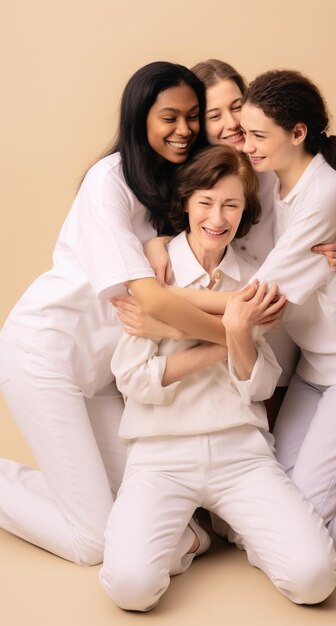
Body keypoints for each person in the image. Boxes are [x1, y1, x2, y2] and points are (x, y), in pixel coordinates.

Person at [99, 145, 336, 611]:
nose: (217, 217)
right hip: (160, 455)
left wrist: (208, 330)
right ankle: (194, 536)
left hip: (241, 455)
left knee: (314, 580)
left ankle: (238, 529)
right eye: (207, 202)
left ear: (244, 212)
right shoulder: (151, 273)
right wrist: (225, 339)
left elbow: (261, 385)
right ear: (187, 201)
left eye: (231, 205)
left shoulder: (256, 281)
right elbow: (134, 379)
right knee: (130, 588)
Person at [0, 61, 215, 565]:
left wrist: (163, 237)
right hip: (44, 356)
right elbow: (154, 299)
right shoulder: (109, 180)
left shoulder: (170, 184)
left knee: (166, 511)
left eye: (192, 116)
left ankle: (51, 488)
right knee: (94, 543)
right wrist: (230, 335)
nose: (183, 129)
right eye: (169, 117)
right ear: (140, 118)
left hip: (98, 377)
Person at [199, 68, 336, 564]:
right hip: (315, 369)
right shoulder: (274, 182)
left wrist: (160, 307)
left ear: (298, 133)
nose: (244, 142)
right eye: (239, 129)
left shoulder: (323, 192)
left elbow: (259, 299)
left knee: (288, 534)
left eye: (257, 134)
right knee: (260, 518)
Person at [124, 59, 336, 429]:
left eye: (237, 107)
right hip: (246, 348)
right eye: (214, 114)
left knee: (295, 479)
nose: (232, 124)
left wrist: (171, 315)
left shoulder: (285, 170)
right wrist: (160, 243)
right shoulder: (204, 179)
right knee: (283, 476)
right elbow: (193, 238)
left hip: (286, 342)